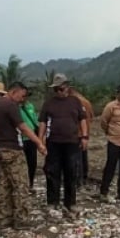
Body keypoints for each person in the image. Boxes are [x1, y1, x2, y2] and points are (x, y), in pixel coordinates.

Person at [0, 81, 46, 229]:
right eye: (22, 95)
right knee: (20, 185)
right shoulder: (10, 105)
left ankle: (3, 218)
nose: (22, 99)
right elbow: (23, 127)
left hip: (0, 150)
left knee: (4, 185)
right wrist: (39, 143)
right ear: (14, 92)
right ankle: (21, 219)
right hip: (12, 149)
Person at [38, 73, 88, 218]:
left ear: (67, 87)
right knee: (52, 172)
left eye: (61, 89)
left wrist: (84, 136)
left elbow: (83, 120)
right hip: (53, 143)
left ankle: (70, 202)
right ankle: (52, 201)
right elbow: (42, 122)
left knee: (71, 173)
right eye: (56, 89)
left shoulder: (75, 102)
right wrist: (40, 141)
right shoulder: (48, 103)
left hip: (72, 142)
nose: (59, 92)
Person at [68, 87, 95, 188]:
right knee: (83, 155)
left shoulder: (73, 102)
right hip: (85, 133)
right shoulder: (86, 101)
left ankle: (77, 180)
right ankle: (84, 177)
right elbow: (91, 116)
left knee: (76, 158)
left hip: (77, 133)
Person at [19, 90, 39, 191]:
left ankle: (30, 184)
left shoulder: (30, 106)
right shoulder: (15, 107)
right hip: (21, 138)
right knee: (22, 163)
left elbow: (35, 120)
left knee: (32, 162)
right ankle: (22, 185)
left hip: (31, 138)